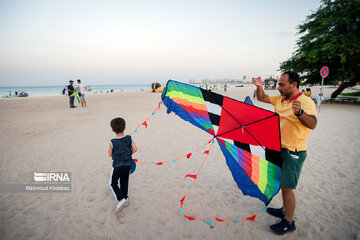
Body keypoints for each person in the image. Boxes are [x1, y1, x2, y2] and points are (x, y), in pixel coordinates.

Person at [252, 71, 317, 235]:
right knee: (282, 183)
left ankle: (289, 221)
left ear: (294, 85)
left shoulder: (305, 101)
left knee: (287, 188)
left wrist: (300, 113)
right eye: (278, 84)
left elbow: (313, 124)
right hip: (278, 148)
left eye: (282, 84)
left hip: (294, 152)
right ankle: (283, 209)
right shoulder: (280, 99)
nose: (278, 87)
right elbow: (261, 98)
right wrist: (259, 87)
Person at [108, 117, 137, 213]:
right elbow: (135, 149)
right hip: (128, 164)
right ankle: (126, 198)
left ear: (112, 129)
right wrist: (128, 154)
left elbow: (110, 154)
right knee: (124, 181)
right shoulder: (129, 138)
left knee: (112, 183)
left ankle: (121, 199)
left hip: (117, 165)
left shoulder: (112, 142)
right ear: (125, 127)